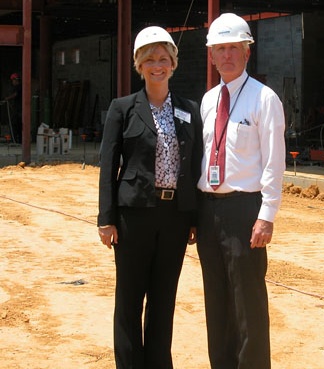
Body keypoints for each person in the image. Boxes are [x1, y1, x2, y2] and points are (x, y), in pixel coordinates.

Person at [97, 26, 203, 369]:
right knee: (129, 300)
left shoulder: (189, 109)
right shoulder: (122, 109)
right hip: (134, 217)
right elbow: (108, 165)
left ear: (173, 64)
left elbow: (196, 164)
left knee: (163, 300)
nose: (157, 65)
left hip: (174, 217)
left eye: (163, 59)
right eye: (149, 59)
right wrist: (106, 217)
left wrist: (193, 218)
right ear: (139, 66)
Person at [196, 13, 286, 369]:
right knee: (216, 302)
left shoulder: (264, 100)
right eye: (220, 49)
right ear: (212, 56)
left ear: (248, 52)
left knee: (247, 303)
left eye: (234, 47)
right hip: (208, 211)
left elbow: (274, 162)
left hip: (244, 212)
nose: (227, 55)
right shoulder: (207, 101)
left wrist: (266, 216)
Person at [3, 73, 22, 143]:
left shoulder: (19, 87)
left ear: (15, 80)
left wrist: (7, 98)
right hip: (17, 109)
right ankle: (17, 140)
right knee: (17, 124)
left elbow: (15, 94)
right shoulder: (17, 87)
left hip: (19, 110)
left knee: (15, 124)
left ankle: (16, 140)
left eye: (13, 81)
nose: (12, 82)